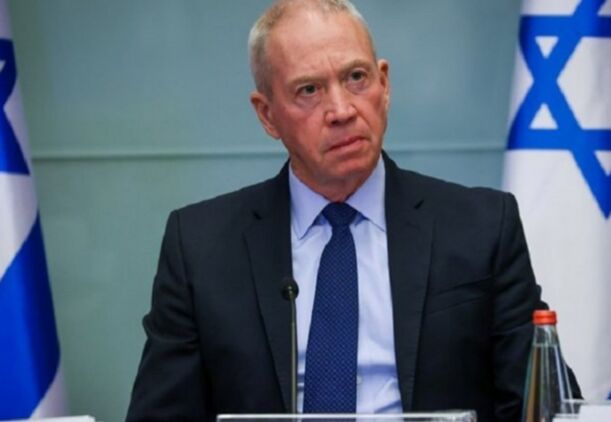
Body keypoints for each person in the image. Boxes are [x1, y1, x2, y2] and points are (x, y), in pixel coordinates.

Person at [127, 1, 576, 421]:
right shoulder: (201, 247)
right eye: (309, 90)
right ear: (267, 115)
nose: (341, 110)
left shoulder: (481, 227)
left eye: (356, 78)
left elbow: (544, 406)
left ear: (384, 84)